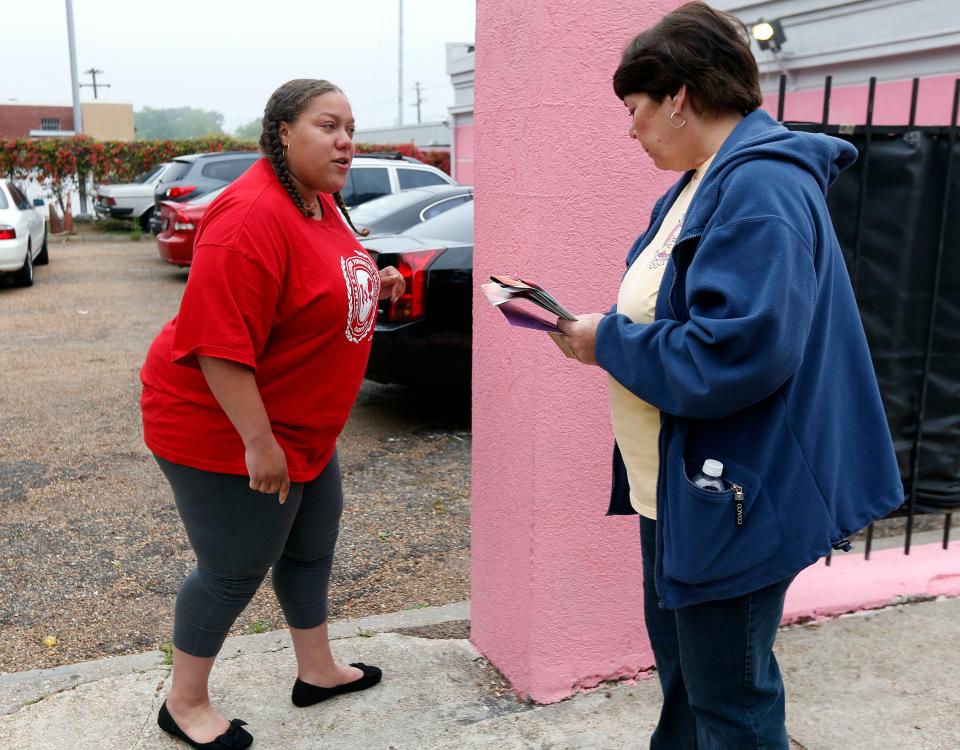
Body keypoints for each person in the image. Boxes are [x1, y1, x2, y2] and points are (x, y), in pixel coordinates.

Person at [555, 4, 902, 748]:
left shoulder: (760, 189)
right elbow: (681, 315)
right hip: (680, 490)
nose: (630, 128)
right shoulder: (700, 183)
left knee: (732, 703)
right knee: (691, 683)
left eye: (635, 107)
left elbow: (736, 351)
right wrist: (604, 335)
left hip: (731, 491)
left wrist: (606, 341)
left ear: (679, 96)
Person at [140, 79, 405, 750]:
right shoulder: (248, 215)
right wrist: (258, 444)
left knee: (312, 545)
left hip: (304, 424)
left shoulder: (319, 201)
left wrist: (375, 279)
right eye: (328, 125)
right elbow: (216, 345)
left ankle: (316, 671)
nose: (346, 140)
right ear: (283, 131)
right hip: (224, 427)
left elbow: (319, 275)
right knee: (234, 569)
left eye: (352, 127)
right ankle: (185, 704)